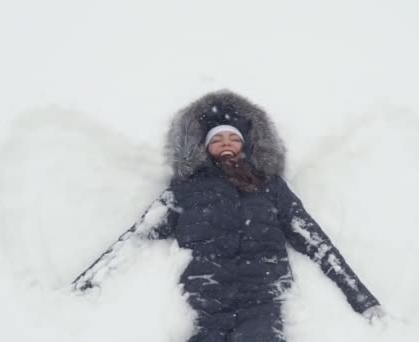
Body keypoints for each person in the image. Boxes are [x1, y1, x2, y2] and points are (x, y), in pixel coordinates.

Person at [72, 90, 384, 341]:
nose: (226, 145)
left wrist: (362, 299)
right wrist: (88, 283)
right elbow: (139, 235)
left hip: (263, 296)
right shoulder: (185, 189)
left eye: (233, 138)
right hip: (207, 298)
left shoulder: (269, 186)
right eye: (217, 140)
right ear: (204, 148)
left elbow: (316, 242)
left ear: (246, 145)